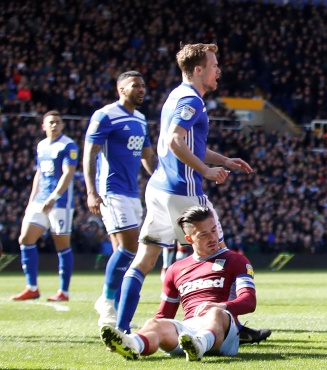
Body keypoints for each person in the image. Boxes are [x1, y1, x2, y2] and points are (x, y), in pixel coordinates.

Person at [115, 43, 254, 334]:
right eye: (214, 65)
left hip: (158, 188)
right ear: (198, 69)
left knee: (145, 259)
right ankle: (232, 327)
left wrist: (224, 159)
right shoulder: (192, 100)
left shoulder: (176, 96)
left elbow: (191, 144)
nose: (219, 70)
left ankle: (122, 327)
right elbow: (175, 141)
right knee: (220, 255)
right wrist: (205, 170)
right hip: (183, 190)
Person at [100, 206, 260, 361]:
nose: (212, 238)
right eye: (203, 235)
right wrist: (154, 327)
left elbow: (249, 301)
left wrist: (220, 306)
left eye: (214, 230)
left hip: (225, 331)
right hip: (188, 333)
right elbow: (164, 315)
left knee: (216, 314)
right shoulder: (175, 269)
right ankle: (132, 344)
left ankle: (200, 343)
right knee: (154, 323)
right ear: (189, 239)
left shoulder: (235, 260)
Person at [84, 70, 157, 326]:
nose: (142, 89)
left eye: (144, 85)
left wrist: (160, 177)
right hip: (111, 191)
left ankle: (113, 310)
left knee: (123, 250)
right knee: (131, 247)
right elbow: (89, 152)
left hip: (132, 193)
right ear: (121, 89)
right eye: (136, 85)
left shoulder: (140, 118)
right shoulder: (105, 115)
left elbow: (148, 156)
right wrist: (91, 191)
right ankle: (105, 299)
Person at [11, 110, 78, 302]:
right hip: (40, 201)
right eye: (51, 122)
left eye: (57, 122)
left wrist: (54, 197)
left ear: (62, 125)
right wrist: (32, 200)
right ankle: (32, 287)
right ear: (43, 126)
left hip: (60, 203)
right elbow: (39, 174)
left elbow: (68, 173)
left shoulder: (68, 145)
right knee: (25, 238)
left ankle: (63, 292)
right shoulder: (41, 146)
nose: (54, 125)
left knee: (62, 245)